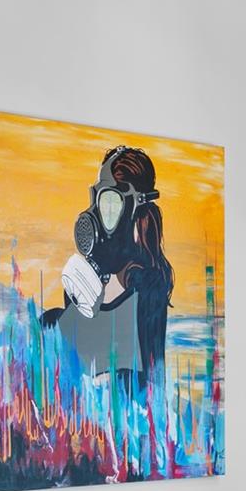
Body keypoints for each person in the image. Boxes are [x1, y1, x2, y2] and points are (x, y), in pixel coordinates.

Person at [43, 145, 174, 387]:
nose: (97, 214)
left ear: (137, 217)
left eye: (111, 202)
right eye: (99, 200)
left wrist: (112, 382)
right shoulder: (84, 285)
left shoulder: (146, 292)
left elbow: (153, 385)